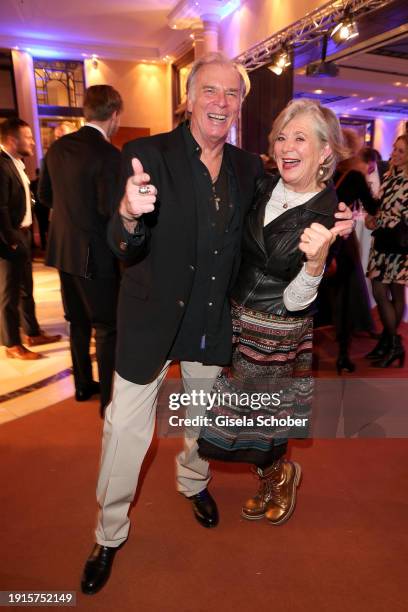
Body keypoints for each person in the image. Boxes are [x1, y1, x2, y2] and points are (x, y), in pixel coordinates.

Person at [80, 53, 353, 596]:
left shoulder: (251, 169)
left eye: (232, 95)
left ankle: (193, 482)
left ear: (241, 107)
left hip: (211, 325)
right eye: (210, 91)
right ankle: (108, 535)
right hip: (149, 323)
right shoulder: (145, 154)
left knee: (198, 424)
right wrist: (130, 215)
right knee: (124, 433)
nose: (220, 103)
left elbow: (288, 210)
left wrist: (334, 223)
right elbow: (120, 242)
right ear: (188, 97)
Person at [197, 98, 347, 525]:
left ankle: (278, 478)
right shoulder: (261, 186)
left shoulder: (327, 214)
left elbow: (297, 302)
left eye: (300, 137)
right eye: (282, 136)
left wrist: (316, 263)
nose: (286, 146)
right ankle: (277, 477)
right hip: (235, 320)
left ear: (324, 153)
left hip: (277, 331)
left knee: (262, 422)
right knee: (243, 421)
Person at [39, 85, 123, 412]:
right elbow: (109, 209)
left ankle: (83, 386)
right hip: (94, 255)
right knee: (106, 327)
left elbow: (45, 196)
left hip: (61, 250)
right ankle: (109, 402)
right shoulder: (109, 155)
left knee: (77, 322)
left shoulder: (57, 148)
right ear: (114, 115)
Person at [0, 118, 61, 359]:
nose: (33, 142)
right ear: (13, 140)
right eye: (28, 137)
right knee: (9, 293)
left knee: (26, 289)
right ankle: (12, 343)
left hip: (22, 235)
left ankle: (32, 332)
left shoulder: (17, 163)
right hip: (10, 240)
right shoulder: (1, 165)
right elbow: (0, 208)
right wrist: (12, 238)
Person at [324, 137, 379, 374]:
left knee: (327, 294)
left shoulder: (325, 172)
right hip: (343, 241)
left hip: (322, 238)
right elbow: (374, 207)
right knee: (346, 296)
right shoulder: (355, 177)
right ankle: (343, 355)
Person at [365, 134, 408, 367]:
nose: (395, 153)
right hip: (382, 242)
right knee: (381, 291)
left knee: (390, 292)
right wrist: (373, 218)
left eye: (401, 151)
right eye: (395, 148)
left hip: (398, 246)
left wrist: (387, 219)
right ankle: (389, 341)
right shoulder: (390, 175)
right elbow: (380, 206)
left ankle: (393, 344)